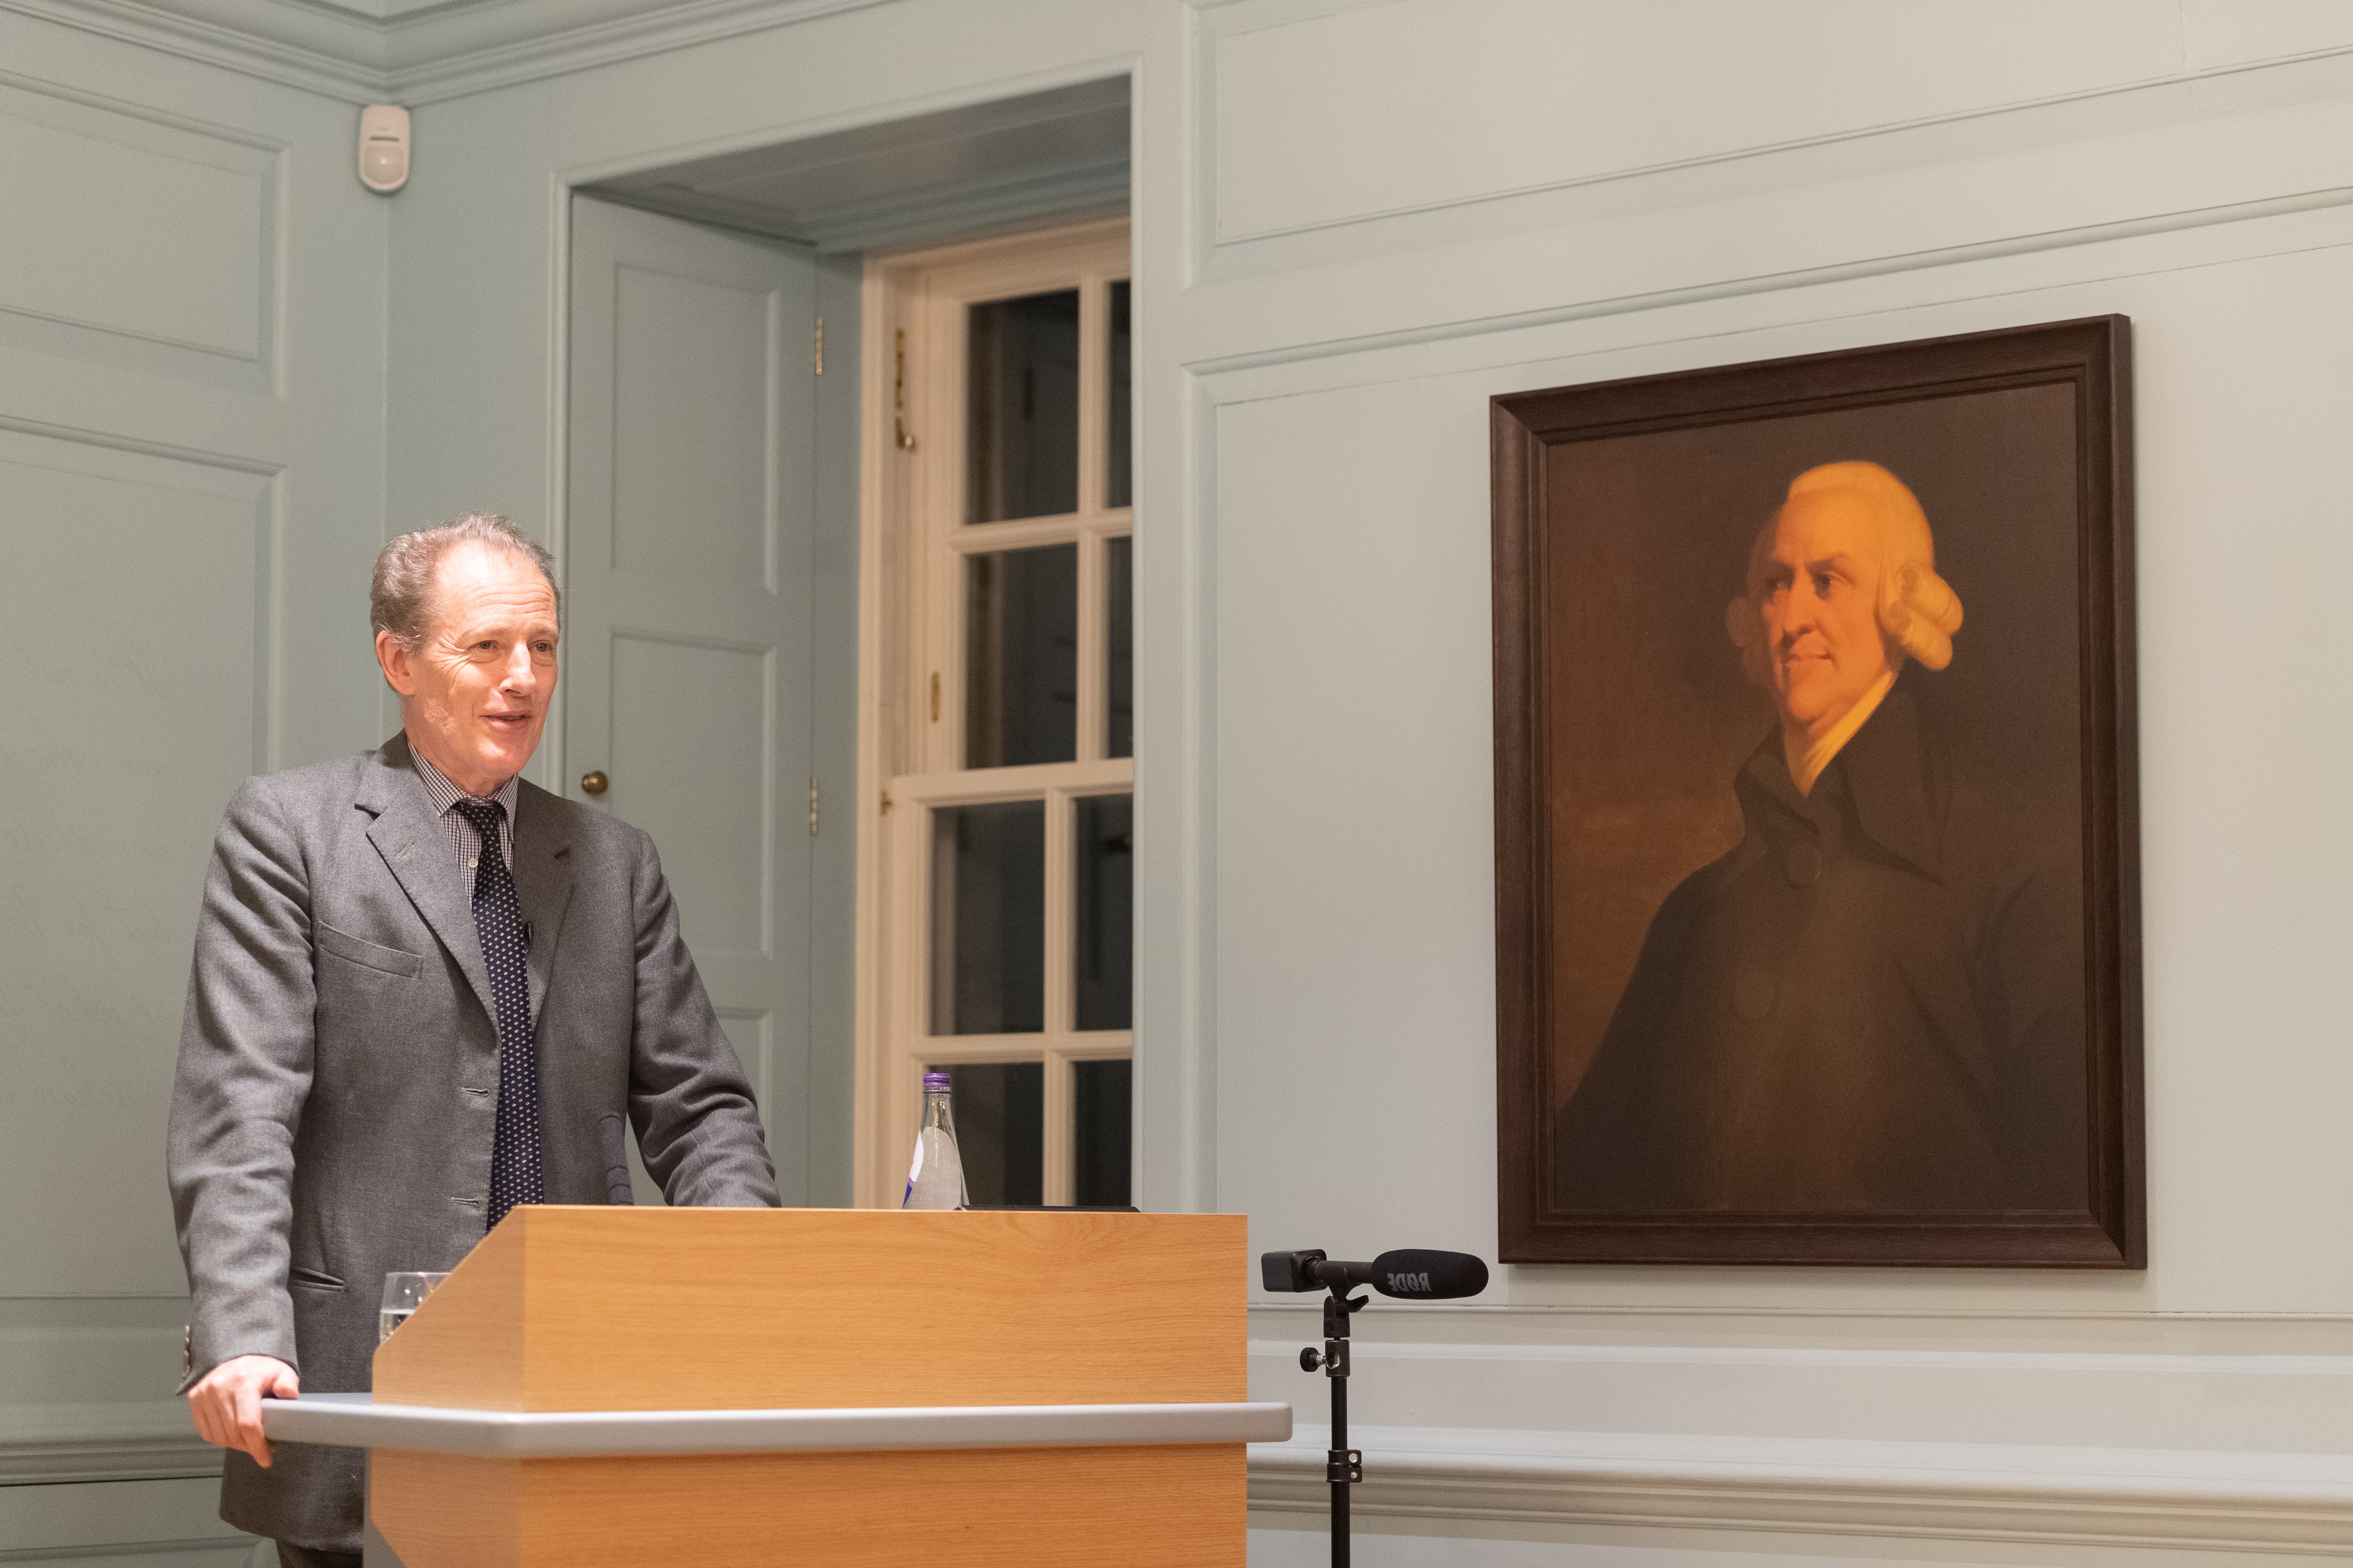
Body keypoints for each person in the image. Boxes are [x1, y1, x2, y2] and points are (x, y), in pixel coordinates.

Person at [167, 513, 779, 1566]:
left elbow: (702, 1111)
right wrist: (242, 1334)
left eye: (542, 646)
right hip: (358, 1381)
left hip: (580, 1388)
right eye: (486, 646)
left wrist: (745, 1288)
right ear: (398, 660)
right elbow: (241, 1112)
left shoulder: (616, 861)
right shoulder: (290, 831)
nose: (523, 677)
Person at [1554, 463, 2085, 1213]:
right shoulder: (1695, 914)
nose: (1793, 616)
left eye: (1828, 582)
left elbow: (2068, 1193)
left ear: (1901, 609)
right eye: (1776, 585)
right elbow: (1583, 1193)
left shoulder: (2017, 867)